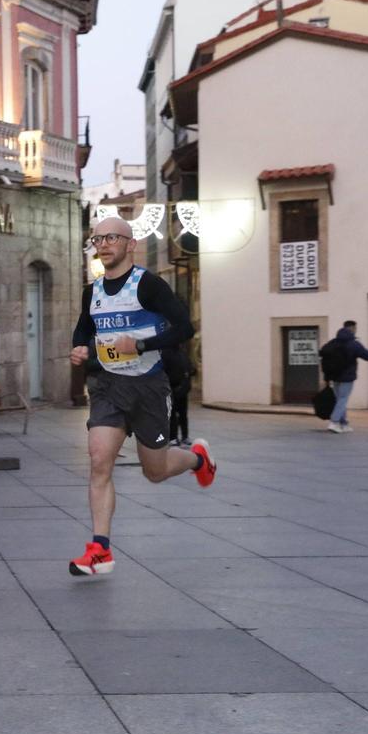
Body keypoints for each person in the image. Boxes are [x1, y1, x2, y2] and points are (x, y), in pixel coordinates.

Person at [67, 217, 217, 577]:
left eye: (112, 239)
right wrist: (79, 348)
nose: (103, 245)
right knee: (99, 460)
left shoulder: (148, 286)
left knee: (155, 470)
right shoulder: (94, 291)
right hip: (108, 386)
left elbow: (185, 327)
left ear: (130, 244)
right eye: (98, 239)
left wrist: (142, 344)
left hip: (149, 387)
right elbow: (84, 327)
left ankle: (198, 460)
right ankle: (100, 550)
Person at [325, 320, 368, 433]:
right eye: (355, 329)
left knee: (339, 399)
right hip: (347, 376)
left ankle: (344, 424)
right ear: (353, 329)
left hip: (334, 376)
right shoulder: (354, 344)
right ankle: (334, 422)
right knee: (343, 399)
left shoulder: (334, 342)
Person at [162, 342, 194, 446]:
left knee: (183, 415)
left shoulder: (181, 353)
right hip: (171, 388)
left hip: (183, 389)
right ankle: (173, 437)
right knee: (172, 415)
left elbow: (189, 367)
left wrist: (189, 376)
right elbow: (164, 371)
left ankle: (185, 436)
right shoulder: (165, 353)